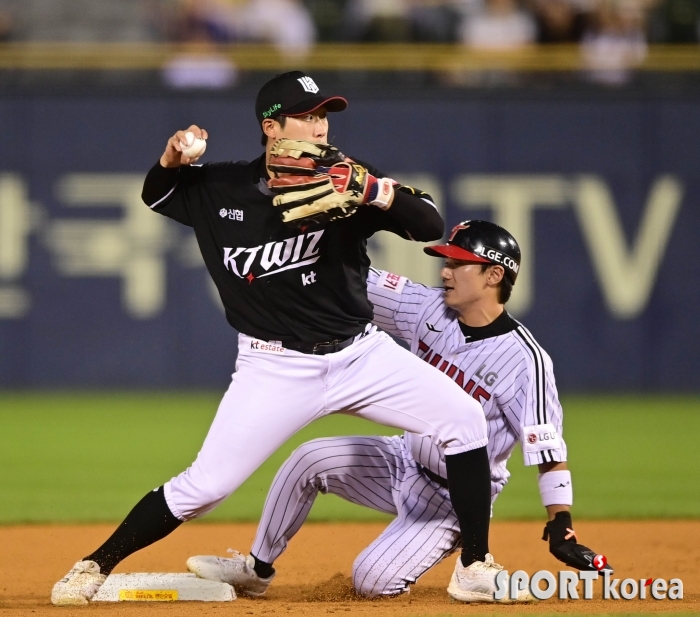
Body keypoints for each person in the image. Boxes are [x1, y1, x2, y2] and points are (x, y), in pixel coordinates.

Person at [51, 72, 503, 605]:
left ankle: (474, 565)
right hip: (275, 367)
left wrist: (370, 190)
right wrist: (172, 159)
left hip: (361, 354)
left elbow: (428, 223)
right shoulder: (221, 190)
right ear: (272, 126)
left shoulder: (347, 179)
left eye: (323, 115)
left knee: (465, 419)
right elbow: (157, 194)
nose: (319, 125)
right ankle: (93, 565)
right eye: (307, 115)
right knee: (205, 487)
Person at [186, 220, 611, 601]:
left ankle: (475, 562)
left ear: (494, 275)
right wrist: (306, 236)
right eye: (445, 259)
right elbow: (352, 279)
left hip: (451, 499)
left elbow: (548, 449)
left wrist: (561, 524)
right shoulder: (428, 308)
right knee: (308, 459)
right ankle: (256, 570)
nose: (445, 270)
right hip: (399, 460)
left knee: (369, 582)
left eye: (458, 262)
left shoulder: (524, 360)